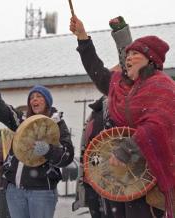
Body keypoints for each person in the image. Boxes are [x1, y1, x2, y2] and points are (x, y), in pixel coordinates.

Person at [70, 15, 175, 218]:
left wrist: (126, 150)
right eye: (127, 55)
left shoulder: (163, 86)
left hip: (150, 178)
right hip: (123, 179)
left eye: (134, 53)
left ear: (150, 58)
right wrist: (82, 38)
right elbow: (98, 72)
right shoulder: (123, 89)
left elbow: (157, 127)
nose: (128, 58)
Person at [0, 63, 74, 218]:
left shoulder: (57, 124)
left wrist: (48, 150)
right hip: (14, 191)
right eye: (32, 97)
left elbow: (67, 156)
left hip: (42, 192)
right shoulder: (21, 121)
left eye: (39, 97)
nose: (34, 100)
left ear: (47, 102)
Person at [72, 16, 132, 218]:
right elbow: (93, 150)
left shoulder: (131, 99)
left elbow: (129, 61)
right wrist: (92, 178)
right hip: (98, 185)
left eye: (118, 73)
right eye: (110, 74)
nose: (112, 76)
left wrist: (121, 34)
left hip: (126, 181)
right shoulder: (98, 111)